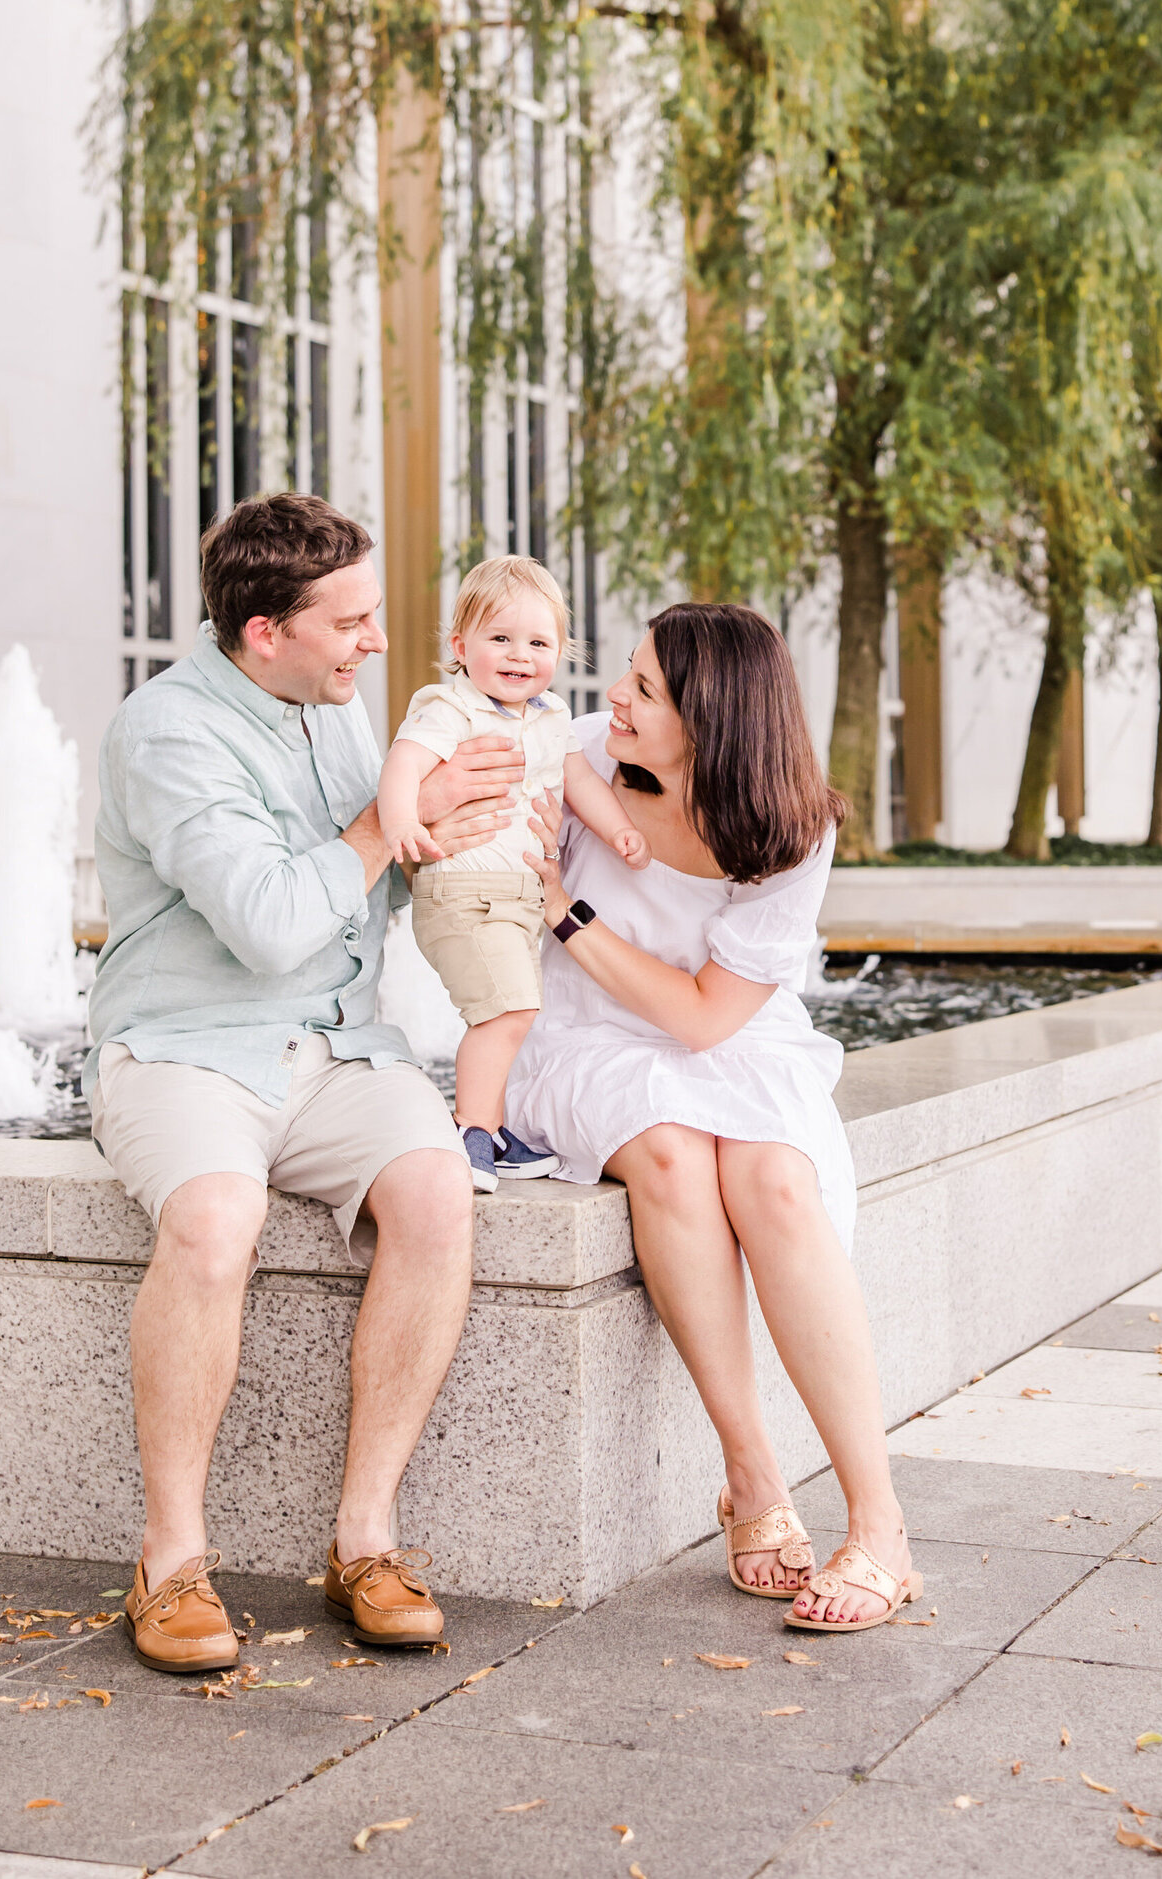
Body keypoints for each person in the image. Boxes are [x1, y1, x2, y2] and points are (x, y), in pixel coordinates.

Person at [86, 494, 521, 1672]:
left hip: (335, 1045)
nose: (376, 641)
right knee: (216, 1217)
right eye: (354, 620)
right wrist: (398, 817)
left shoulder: (330, 703)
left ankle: (364, 1540)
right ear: (264, 630)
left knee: (437, 1193)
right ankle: (169, 1558)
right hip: (183, 1044)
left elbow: (368, 889)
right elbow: (277, 921)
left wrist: (489, 840)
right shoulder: (166, 731)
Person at [508, 601, 922, 1633]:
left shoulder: (791, 829)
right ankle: (750, 1473)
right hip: (581, 1035)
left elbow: (705, 1019)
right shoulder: (569, 756)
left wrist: (569, 913)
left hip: (726, 1034)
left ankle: (879, 1522)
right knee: (670, 1152)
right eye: (628, 675)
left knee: (775, 1179)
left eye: (644, 688)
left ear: (714, 720)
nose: (614, 695)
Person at [378, 554, 650, 1193]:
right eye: (499, 638)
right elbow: (403, 764)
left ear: (561, 650)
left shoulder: (552, 717)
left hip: (516, 898)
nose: (518, 655)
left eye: (538, 642)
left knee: (514, 1009)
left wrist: (619, 831)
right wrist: (398, 823)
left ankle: (493, 1128)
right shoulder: (451, 707)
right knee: (508, 1011)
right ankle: (470, 1128)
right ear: (460, 645)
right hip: (462, 892)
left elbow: (579, 782)